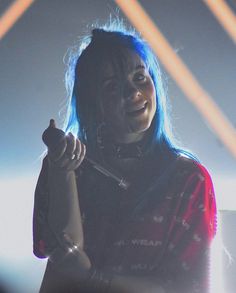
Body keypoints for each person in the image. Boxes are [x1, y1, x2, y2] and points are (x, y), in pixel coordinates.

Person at [33, 23, 217, 293]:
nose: (132, 93)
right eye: (112, 86)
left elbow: (191, 288)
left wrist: (95, 278)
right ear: (91, 102)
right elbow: (63, 257)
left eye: (140, 78)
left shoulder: (188, 180)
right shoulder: (65, 164)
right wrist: (62, 172)